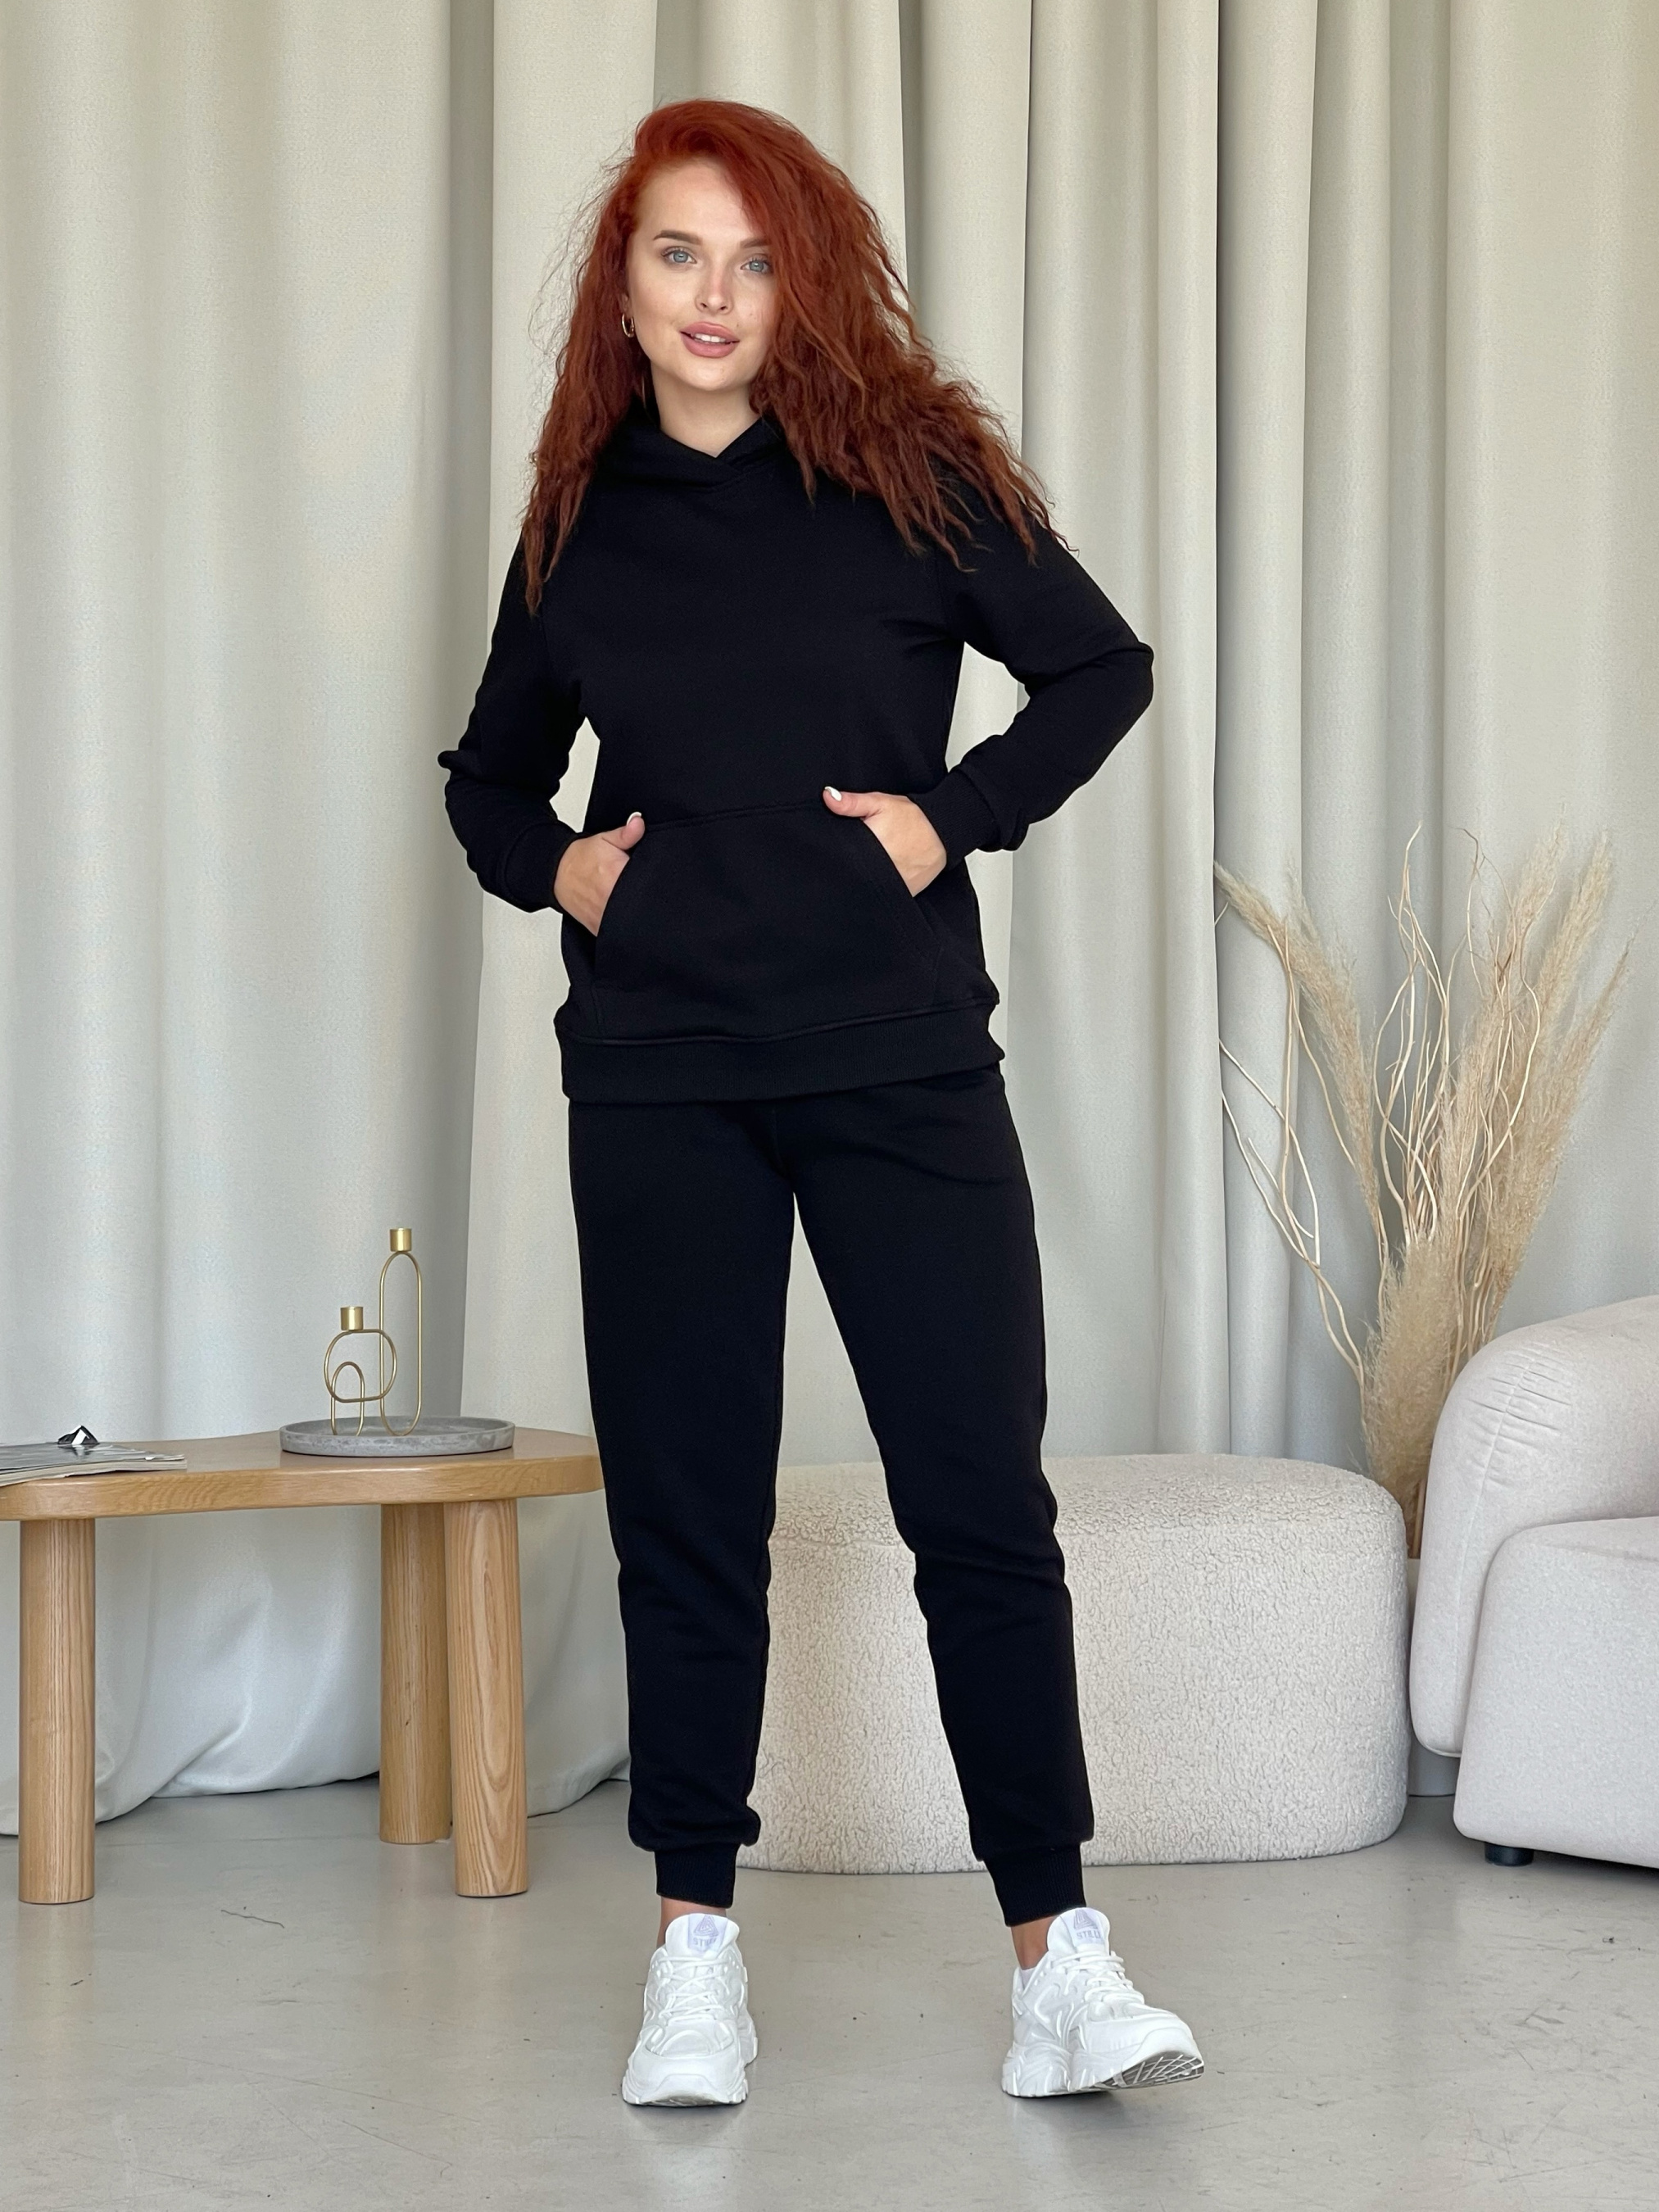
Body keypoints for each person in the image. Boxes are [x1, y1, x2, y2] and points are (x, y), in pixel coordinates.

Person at [439, 97, 1203, 2109]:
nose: (715, 295)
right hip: (661, 1082)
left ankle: (1058, 1964)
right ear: (621, 283)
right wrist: (564, 870)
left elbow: (1097, 671)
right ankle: (692, 1957)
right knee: (688, 1522)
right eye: (677, 253)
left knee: (979, 1508)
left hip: (898, 1062)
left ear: (809, 284)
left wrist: (949, 822)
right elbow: (488, 781)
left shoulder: (910, 478)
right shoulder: (577, 523)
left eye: (756, 259)